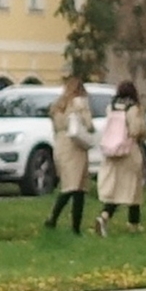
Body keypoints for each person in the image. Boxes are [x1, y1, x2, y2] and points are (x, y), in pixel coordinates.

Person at [98, 80, 146, 236]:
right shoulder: (133, 109)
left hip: (112, 152)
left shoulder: (111, 107)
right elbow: (137, 130)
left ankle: (106, 216)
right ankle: (131, 222)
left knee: (116, 188)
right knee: (133, 188)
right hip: (129, 151)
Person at [48, 76, 95, 233]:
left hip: (61, 145)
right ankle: (73, 226)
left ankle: (53, 219)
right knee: (77, 188)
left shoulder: (58, 105)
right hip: (76, 147)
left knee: (68, 184)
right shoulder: (79, 103)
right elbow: (88, 124)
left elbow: (56, 128)